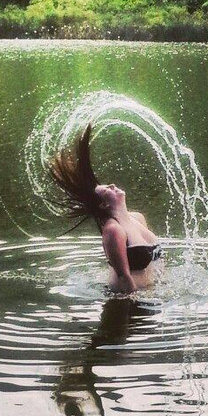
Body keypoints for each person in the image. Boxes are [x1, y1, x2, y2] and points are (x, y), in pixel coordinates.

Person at [46, 124, 163, 293]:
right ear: (104, 204)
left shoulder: (137, 218)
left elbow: (154, 262)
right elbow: (124, 277)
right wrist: (137, 305)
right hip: (128, 298)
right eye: (106, 189)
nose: (112, 185)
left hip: (152, 294)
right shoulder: (113, 230)